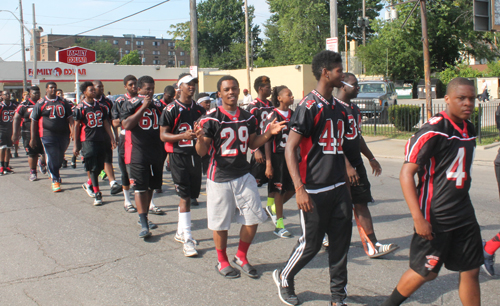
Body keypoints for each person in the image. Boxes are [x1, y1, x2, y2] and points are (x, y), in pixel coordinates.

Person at [381, 77, 482, 306]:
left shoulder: (469, 128)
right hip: (436, 214)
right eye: (461, 98)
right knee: (425, 272)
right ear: (447, 99)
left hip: (463, 211)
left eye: (472, 99)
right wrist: (418, 218)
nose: (468, 103)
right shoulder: (434, 129)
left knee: (470, 269)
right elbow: (406, 174)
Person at [272, 50, 351, 306]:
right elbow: (290, 149)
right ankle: (284, 276)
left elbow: (339, 145)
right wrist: (299, 188)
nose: (343, 75)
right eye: (339, 71)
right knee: (311, 245)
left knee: (340, 245)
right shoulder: (308, 106)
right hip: (315, 189)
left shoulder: (339, 107)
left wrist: (349, 168)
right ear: (326, 72)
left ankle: (338, 296)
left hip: (339, 186)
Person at [195, 75, 286, 279]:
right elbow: (201, 152)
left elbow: (253, 144)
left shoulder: (248, 116)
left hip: (243, 174)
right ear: (219, 94)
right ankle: (222, 260)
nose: (231, 92)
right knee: (221, 223)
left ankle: (241, 256)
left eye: (234, 88)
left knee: (253, 217)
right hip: (219, 176)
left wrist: (269, 133)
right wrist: (200, 139)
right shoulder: (211, 118)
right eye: (226, 89)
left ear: (239, 91)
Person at [335, 73, 399, 258]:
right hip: (339, 165)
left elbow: (357, 137)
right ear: (343, 86)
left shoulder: (354, 109)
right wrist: (347, 166)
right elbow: (334, 141)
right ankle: (325, 235)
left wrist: (371, 157)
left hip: (356, 163)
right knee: (340, 207)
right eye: (355, 85)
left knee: (361, 202)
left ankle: (373, 244)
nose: (358, 88)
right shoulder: (334, 109)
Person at [160, 73, 206, 257]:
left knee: (192, 195)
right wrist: (182, 136)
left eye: (194, 84)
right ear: (180, 87)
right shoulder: (171, 109)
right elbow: (163, 136)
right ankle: (187, 238)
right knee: (185, 195)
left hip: (195, 155)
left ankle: (180, 231)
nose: (192, 87)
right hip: (178, 155)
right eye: (188, 84)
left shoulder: (199, 109)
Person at [120, 75, 166, 239]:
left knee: (151, 186)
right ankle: (144, 222)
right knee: (139, 188)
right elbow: (126, 124)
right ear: (139, 89)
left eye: (152, 88)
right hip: (138, 152)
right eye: (147, 89)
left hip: (156, 151)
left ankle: (144, 215)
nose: (150, 92)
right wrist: (143, 107)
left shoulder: (158, 104)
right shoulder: (130, 103)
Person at [73, 82, 116, 206]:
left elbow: (106, 123)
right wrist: (76, 144)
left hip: (101, 138)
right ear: (84, 92)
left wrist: (112, 137)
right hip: (88, 140)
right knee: (93, 167)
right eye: (90, 90)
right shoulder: (80, 107)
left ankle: (89, 184)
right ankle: (97, 193)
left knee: (100, 167)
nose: (93, 91)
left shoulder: (101, 106)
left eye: (93, 90)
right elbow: (76, 126)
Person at [30, 82, 74, 192]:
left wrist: (73, 132)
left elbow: (70, 119)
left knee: (59, 157)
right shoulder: (41, 103)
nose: (53, 90)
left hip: (63, 134)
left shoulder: (63, 102)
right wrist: (33, 137)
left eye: (55, 87)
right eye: (51, 88)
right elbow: (34, 121)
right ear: (46, 89)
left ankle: (48, 166)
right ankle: (55, 179)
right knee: (52, 154)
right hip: (47, 134)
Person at [264, 85, 295, 238]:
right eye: (289, 94)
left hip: (292, 157)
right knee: (278, 189)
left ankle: (274, 208)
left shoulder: (294, 115)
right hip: (278, 157)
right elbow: (267, 141)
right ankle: (279, 225)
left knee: (294, 188)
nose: (292, 97)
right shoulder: (272, 116)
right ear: (279, 98)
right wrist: (269, 163)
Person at [111, 75, 138, 213]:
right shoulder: (120, 101)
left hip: (141, 138)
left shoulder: (142, 100)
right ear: (125, 86)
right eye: (131, 84)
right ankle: (127, 201)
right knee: (124, 171)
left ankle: (150, 202)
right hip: (126, 137)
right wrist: (127, 122)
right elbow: (114, 122)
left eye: (135, 84)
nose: (134, 87)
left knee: (144, 170)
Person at [93, 80, 123, 196]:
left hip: (105, 135)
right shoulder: (87, 102)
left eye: (102, 86)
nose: (101, 89)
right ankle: (91, 184)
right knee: (94, 163)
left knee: (107, 159)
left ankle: (113, 183)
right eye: (98, 87)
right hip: (92, 137)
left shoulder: (108, 102)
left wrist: (115, 136)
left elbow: (112, 121)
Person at [12, 86, 46, 181]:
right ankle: (33, 171)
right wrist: (15, 133)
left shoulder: (43, 103)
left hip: (43, 131)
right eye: (34, 93)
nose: (37, 95)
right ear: (29, 94)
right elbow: (16, 118)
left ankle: (42, 163)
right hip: (28, 132)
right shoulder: (24, 105)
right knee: (32, 153)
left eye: (38, 93)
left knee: (45, 152)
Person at [0, 91, 17, 174]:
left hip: (10, 129)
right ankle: (1, 166)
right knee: (2, 148)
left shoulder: (13, 106)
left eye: (8, 94)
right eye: (5, 94)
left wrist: (17, 131)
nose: (7, 95)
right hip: (1, 130)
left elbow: (17, 118)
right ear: (2, 96)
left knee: (8, 148)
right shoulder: (0, 106)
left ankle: (7, 166)